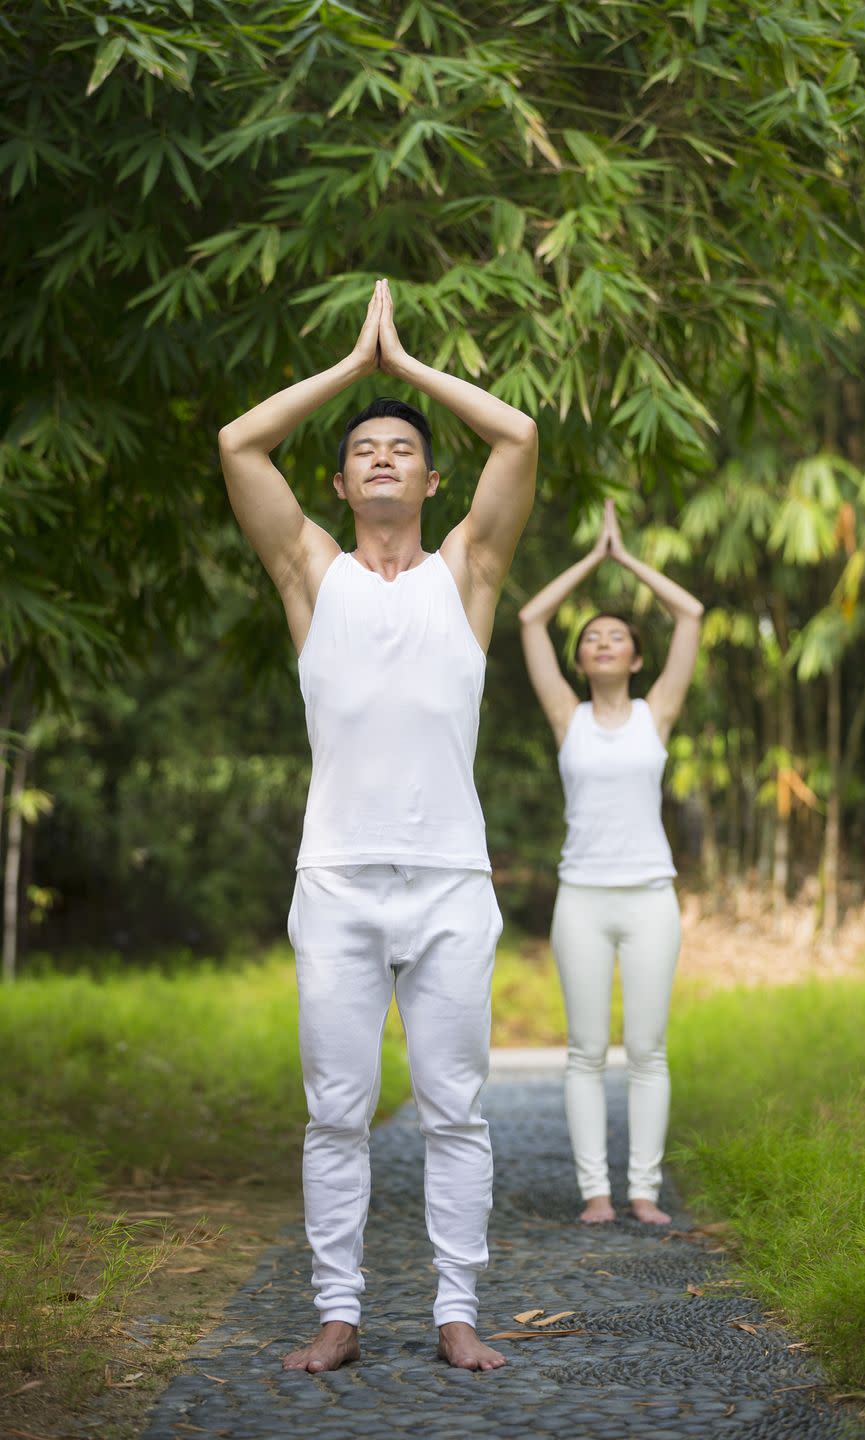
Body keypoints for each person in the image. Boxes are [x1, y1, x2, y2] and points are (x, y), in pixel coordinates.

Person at [218, 279, 537, 1371]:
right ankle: (340, 1314)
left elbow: (522, 433)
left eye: (406, 448)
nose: (388, 456)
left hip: (451, 879)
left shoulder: (469, 575)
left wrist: (407, 367)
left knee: (455, 1108)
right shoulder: (312, 574)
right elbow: (237, 443)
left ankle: (457, 1314)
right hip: (339, 882)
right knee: (338, 1110)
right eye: (368, 451)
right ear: (344, 481)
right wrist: (355, 371)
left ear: (434, 479)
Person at [518, 499, 702, 1226]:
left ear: (634, 658)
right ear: (581, 659)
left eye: (615, 634)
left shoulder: (657, 714)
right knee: (586, 1049)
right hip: (583, 900)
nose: (601, 640)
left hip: (651, 897)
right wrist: (589, 561)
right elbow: (532, 618)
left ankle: (645, 1192)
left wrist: (626, 560)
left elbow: (690, 614)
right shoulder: (569, 719)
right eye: (592, 636)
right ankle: (596, 1193)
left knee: (648, 1050)